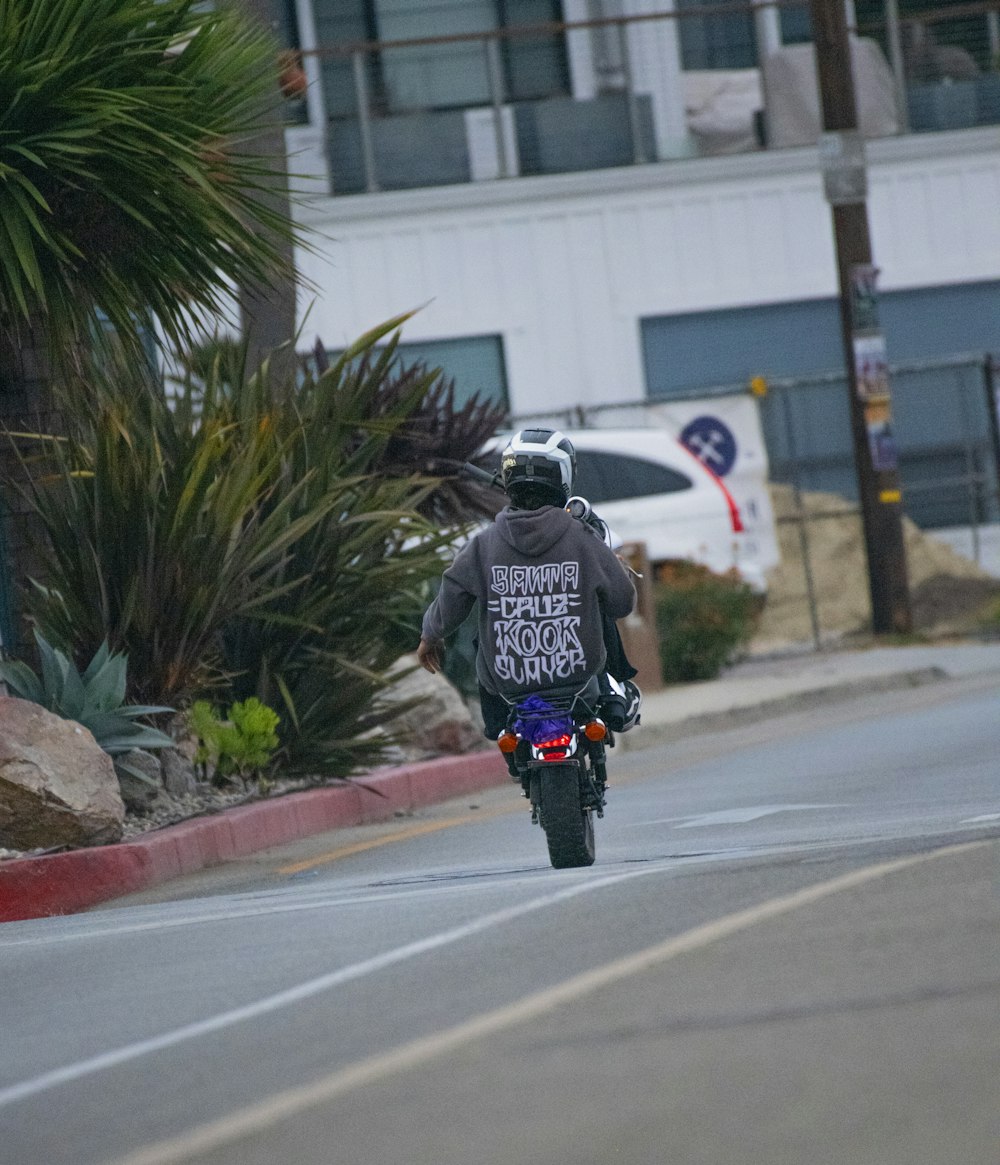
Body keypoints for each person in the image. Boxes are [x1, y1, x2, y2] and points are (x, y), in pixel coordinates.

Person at [417, 428, 642, 757]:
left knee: (485, 639)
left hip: (509, 688)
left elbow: (453, 594)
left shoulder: (482, 546)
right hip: (578, 681)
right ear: (563, 477)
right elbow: (621, 604)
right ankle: (617, 693)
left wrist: (430, 635)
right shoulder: (583, 539)